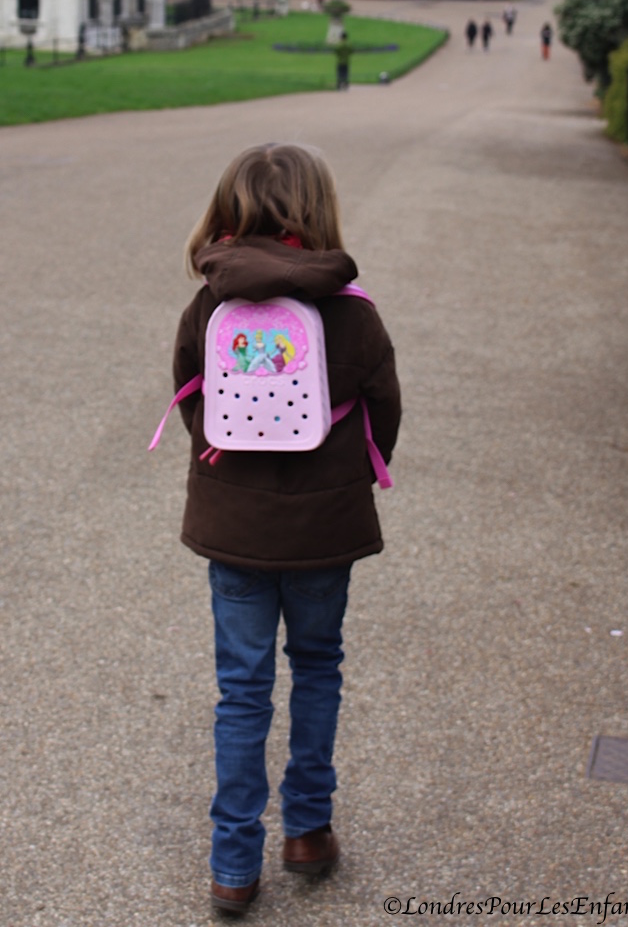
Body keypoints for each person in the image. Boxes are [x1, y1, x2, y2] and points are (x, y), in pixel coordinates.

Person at [171, 143, 401, 916]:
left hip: (234, 524)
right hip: (322, 529)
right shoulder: (352, 309)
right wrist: (347, 479)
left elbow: (186, 392)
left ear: (228, 208)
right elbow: (383, 410)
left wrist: (225, 464)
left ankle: (233, 866)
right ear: (318, 208)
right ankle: (306, 829)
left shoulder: (212, 303)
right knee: (317, 666)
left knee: (241, 692)